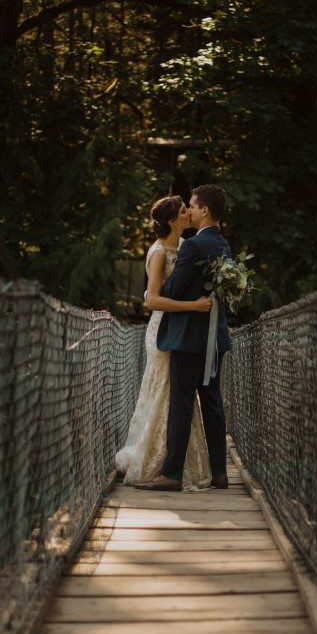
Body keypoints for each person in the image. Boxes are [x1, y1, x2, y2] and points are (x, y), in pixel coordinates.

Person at [135, 184, 232, 492]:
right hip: (214, 338)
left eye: (192, 205)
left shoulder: (191, 246)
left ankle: (173, 473)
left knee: (181, 403)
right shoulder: (224, 246)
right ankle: (219, 472)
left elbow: (172, 290)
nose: (189, 210)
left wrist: (159, 293)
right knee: (213, 402)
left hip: (188, 338)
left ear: (204, 210)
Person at [115, 195, 213, 488]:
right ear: (173, 220)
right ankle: (153, 460)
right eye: (184, 211)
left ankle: (175, 463)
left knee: (180, 395)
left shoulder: (186, 247)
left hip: (182, 329)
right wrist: (193, 307)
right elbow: (153, 300)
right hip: (162, 330)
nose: (188, 214)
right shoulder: (158, 253)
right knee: (161, 391)